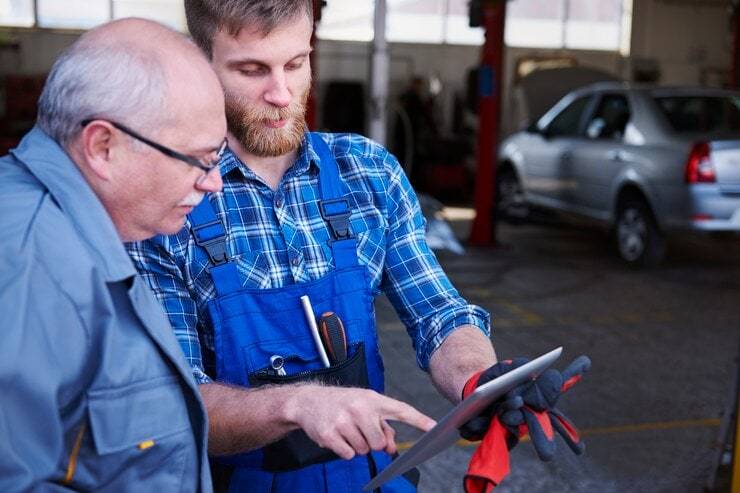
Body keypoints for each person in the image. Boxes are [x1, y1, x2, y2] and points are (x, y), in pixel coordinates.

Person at [127, 1, 498, 491]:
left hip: (365, 478)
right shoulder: (166, 203)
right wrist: (297, 405)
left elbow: (438, 313)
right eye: (252, 69)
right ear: (199, 64)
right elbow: (176, 402)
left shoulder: (367, 173)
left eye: (296, 64)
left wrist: (484, 384)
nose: (282, 94)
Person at [0, 18, 227, 491]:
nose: (214, 182)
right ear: (103, 146)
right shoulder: (29, 267)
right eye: (199, 160)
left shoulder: (81, 234)